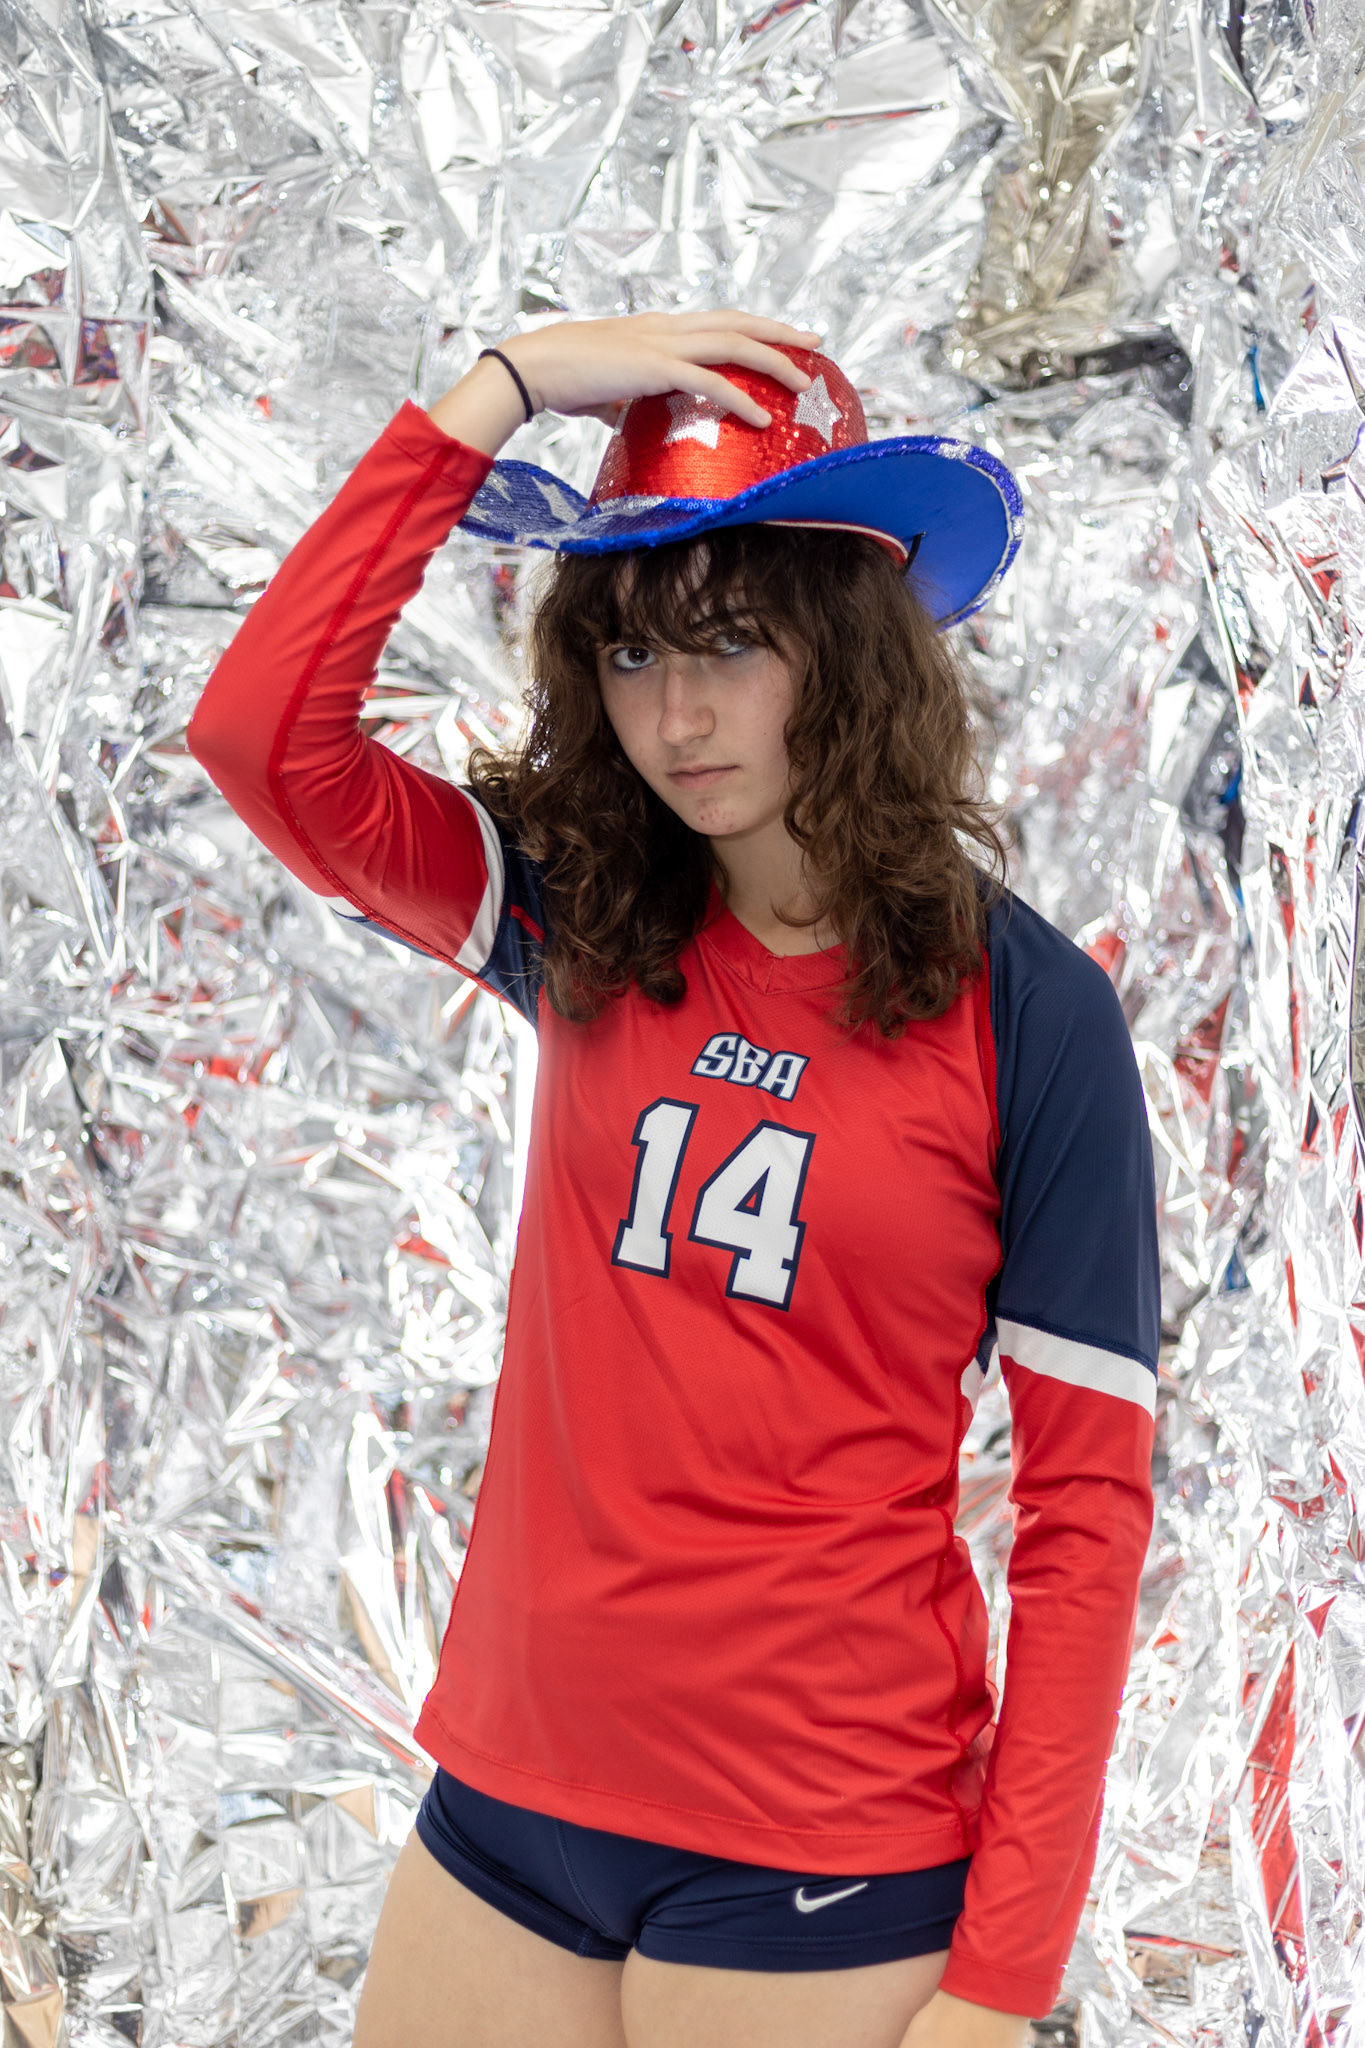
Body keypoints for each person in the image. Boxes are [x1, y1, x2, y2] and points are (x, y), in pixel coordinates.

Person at [187, 311, 1159, 2048]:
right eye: (629, 658)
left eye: (727, 643)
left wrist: (1000, 1984)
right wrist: (497, 392)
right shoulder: (584, 913)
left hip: (816, 1853)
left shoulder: (1030, 1015)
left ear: (847, 650)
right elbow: (263, 739)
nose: (676, 713)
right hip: (511, 1802)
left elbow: (1085, 1525)